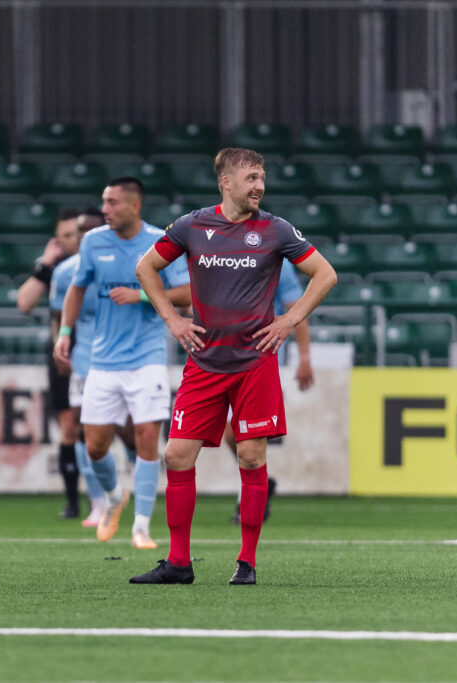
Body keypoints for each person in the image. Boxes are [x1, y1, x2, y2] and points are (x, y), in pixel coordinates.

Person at [130, 148, 337, 585]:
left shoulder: (276, 230)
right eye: (251, 178)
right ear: (226, 182)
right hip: (204, 362)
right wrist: (171, 318)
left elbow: (325, 274)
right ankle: (179, 563)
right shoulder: (192, 226)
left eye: (262, 177)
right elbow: (146, 267)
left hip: (254, 363)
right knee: (176, 456)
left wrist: (290, 319)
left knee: (250, 455)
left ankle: (247, 562)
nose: (259, 186)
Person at [55, 178, 191, 549]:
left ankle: (142, 527)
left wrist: (142, 294)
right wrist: (65, 331)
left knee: (148, 438)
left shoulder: (159, 242)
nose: (105, 209)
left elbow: (188, 293)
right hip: (102, 360)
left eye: (112, 202)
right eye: (104, 202)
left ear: (135, 205)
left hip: (147, 357)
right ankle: (115, 497)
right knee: (95, 446)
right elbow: (77, 288)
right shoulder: (94, 241)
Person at [50, 208, 133, 527]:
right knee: (84, 432)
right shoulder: (66, 272)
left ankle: (144, 497)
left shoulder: (128, 265)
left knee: (130, 433)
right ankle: (99, 502)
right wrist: (61, 347)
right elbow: (59, 316)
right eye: (80, 232)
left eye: (90, 231)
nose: (84, 237)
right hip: (85, 361)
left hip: (125, 360)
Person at [226, 263, 315, 525]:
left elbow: (295, 309)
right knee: (231, 434)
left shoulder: (276, 260)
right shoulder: (219, 250)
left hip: (262, 355)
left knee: (245, 434)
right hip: (225, 354)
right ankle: (258, 486)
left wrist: (305, 358)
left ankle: (250, 497)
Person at [17, 209, 89, 518]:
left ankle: (121, 496)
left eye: (75, 234)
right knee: (69, 427)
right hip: (64, 352)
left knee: (110, 428)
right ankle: (73, 501)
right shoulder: (57, 268)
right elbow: (25, 302)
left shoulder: (101, 260)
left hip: (102, 352)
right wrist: (45, 263)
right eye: (64, 236)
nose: (71, 241)